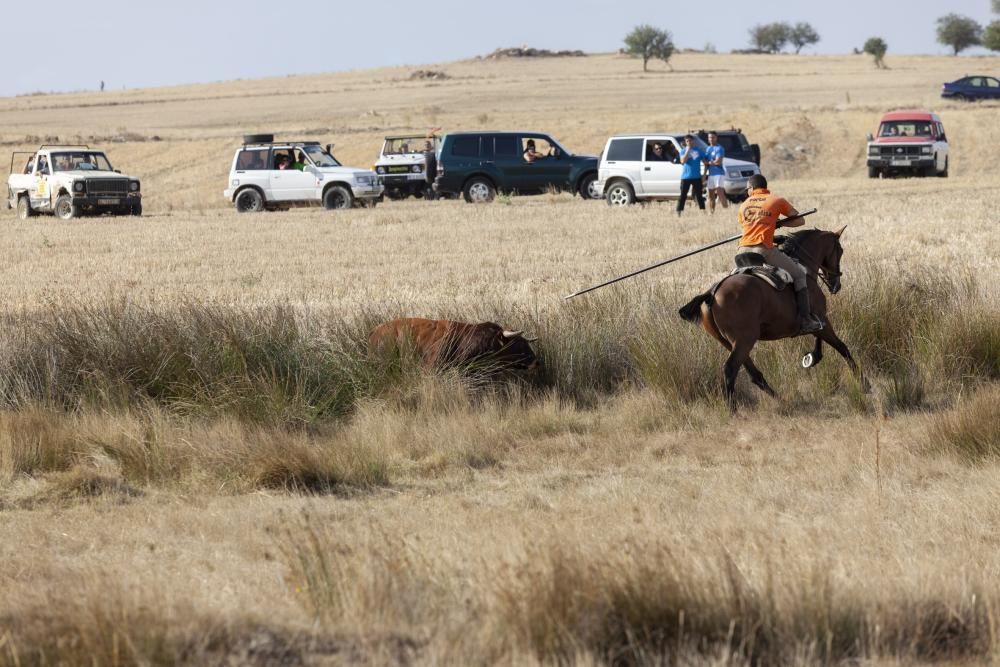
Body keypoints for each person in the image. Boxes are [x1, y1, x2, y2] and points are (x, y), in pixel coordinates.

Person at [736, 174, 823, 334]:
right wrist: (779, 224)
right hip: (763, 250)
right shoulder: (776, 200)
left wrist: (770, 227)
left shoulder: (743, 206)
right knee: (798, 275)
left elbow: (752, 229)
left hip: (741, 251)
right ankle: (806, 320)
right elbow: (799, 220)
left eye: (747, 189)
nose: (747, 192)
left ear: (752, 188)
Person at [676, 135, 705, 215]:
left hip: (697, 177)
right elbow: (683, 161)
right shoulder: (682, 151)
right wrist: (688, 150)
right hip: (686, 177)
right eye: (687, 141)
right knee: (683, 195)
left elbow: (705, 161)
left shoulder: (698, 151)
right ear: (685, 142)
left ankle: (702, 211)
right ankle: (679, 211)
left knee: (699, 195)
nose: (689, 142)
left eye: (690, 140)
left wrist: (704, 174)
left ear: (693, 141)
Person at [704, 131, 728, 214]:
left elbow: (718, 162)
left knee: (720, 193)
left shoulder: (719, 148)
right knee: (710, 195)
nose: (711, 139)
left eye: (712, 137)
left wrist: (709, 162)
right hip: (711, 174)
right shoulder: (708, 149)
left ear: (716, 138)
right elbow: (705, 161)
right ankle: (712, 212)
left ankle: (726, 211)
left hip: (719, 173)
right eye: (709, 137)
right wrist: (704, 174)